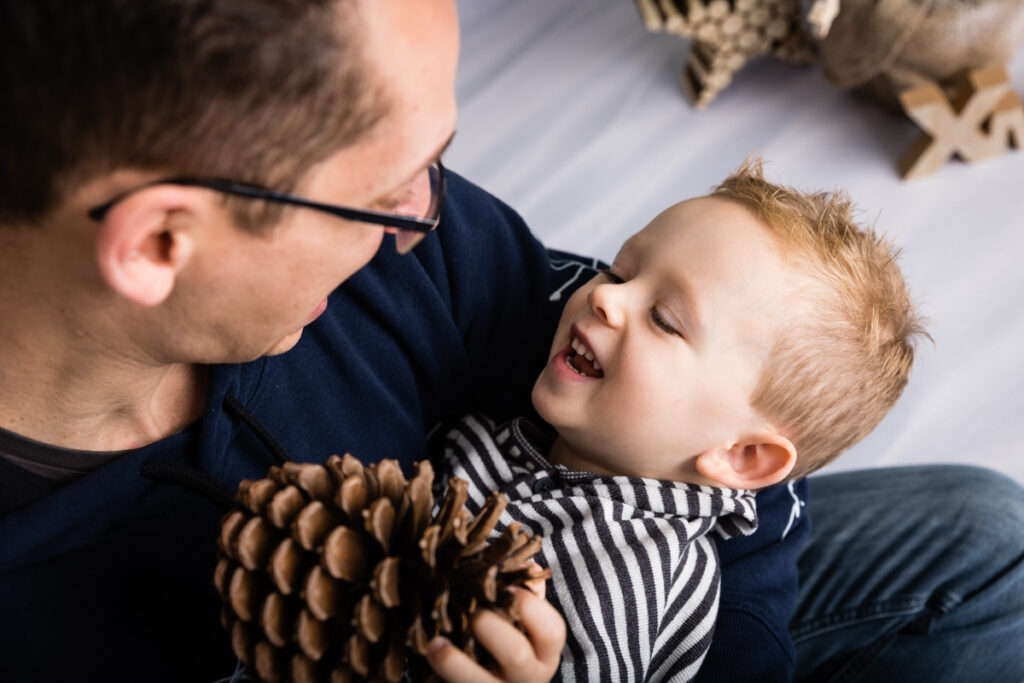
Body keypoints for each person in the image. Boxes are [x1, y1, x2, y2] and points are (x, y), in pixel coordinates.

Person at [0, 2, 1022, 682]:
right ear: (161, 241)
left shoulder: (429, 252)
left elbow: (736, 418)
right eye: (377, 192)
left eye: (436, 161)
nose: (423, 217)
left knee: (981, 536)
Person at [435, 162, 926, 681]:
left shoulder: (627, 575)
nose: (605, 295)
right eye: (620, 271)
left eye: (665, 320)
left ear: (743, 456)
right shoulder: (512, 428)